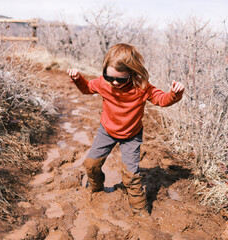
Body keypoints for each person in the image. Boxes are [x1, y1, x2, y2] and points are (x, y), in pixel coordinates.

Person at [67, 43, 184, 216]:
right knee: (91, 164)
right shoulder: (102, 83)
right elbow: (86, 89)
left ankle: (140, 210)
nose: (114, 82)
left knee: (131, 176)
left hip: (131, 135)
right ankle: (96, 187)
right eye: (109, 77)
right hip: (106, 131)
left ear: (132, 72)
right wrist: (78, 79)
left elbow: (162, 100)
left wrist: (175, 94)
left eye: (120, 79)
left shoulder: (141, 87)